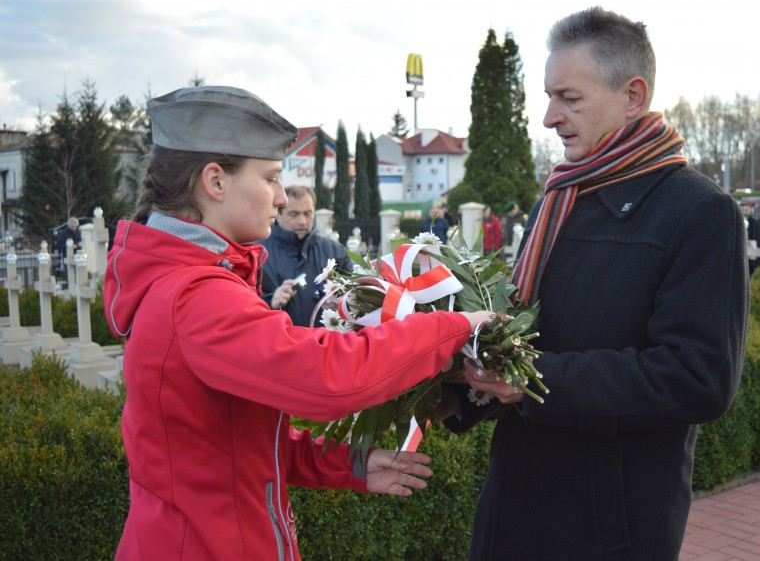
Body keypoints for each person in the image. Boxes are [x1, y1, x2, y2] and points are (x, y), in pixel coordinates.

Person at [103, 85, 493, 560]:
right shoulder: (195, 296)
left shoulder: (189, 282)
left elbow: (238, 446)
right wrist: (453, 328)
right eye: (269, 178)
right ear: (215, 182)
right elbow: (328, 376)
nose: (282, 196)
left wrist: (350, 465)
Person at [444, 7, 748, 560]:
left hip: (609, 527)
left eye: (570, 98)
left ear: (633, 96)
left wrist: (535, 378)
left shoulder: (701, 211)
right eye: (548, 96)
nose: (549, 117)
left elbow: (700, 377)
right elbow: (528, 334)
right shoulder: (562, 197)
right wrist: (457, 387)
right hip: (515, 503)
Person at [258, 185, 351, 327]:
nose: (302, 221)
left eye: (308, 213)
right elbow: (239, 307)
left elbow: (355, 298)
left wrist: (341, 303)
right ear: (278, 214)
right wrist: (270, 301)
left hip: (326, 344)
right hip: (280, 345)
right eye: (294, 214)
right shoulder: (257, 254)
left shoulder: (336, 252)